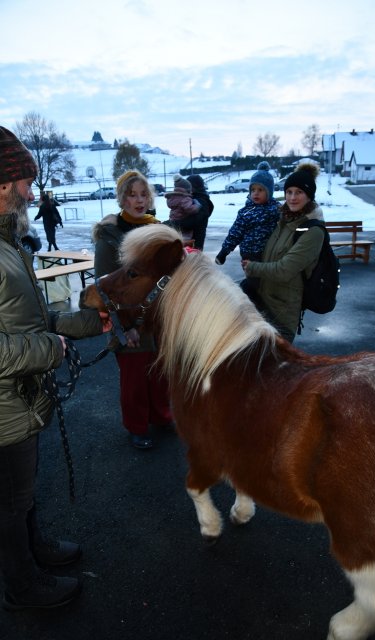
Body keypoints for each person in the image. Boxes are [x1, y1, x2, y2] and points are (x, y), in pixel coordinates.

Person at [0, 126, 112, 611]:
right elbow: (31, 338)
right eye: (25, 180)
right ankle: (23, 586)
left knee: (19, 496)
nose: (32, 190)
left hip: (18, 398)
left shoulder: (8, 244)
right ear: (3, 182)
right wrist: (50, 349)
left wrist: (88, 324)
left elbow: (30, 320)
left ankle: (34, 550)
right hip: (4, 407)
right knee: (8, 504)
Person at [92, 170, 174, 449]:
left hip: (158, 318)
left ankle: (162, 416)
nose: (139, 200)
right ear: (122, 199)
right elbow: (104, 288)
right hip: (128, 320)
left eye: (143, 194)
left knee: (160, 372)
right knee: (135, 379)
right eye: (132, 194)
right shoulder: (109, 236)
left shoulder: (159, 230)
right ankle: (137, 426)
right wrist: (124, 327)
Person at [242, 162, 325, 343]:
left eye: (299, 192)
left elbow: (284, 270)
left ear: (309, 196)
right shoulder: (283, 221)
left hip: (281, 314)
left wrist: (252, 267)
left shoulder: (313, 231)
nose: (292, 198)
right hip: (262, 302)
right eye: (289, 192)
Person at [215, 161, 279, 265]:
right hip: (249, 254)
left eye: (260, 190)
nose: (256, 193)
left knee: (266, 279)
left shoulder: (275, 209)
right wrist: (223, 252)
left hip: (270, 254)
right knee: (253, 279)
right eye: (253, 190)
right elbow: (235, 233)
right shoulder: (246, 212)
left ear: (269, 192)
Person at [163, 174, 201, 242]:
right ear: (186, 189)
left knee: (176, 237)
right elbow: (190, 209)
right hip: (183, 221)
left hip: (173, 220)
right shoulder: (185, 198)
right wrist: (197, 205)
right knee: (184, 240)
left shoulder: (173, 197)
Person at [186, 174, 214, 250]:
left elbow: (192, 221)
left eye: (188, 186)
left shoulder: (201, 202)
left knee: (193, 260)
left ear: (194, 187)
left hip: (195, 241)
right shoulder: (196, 198)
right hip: (192, 240)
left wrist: (173, 223)